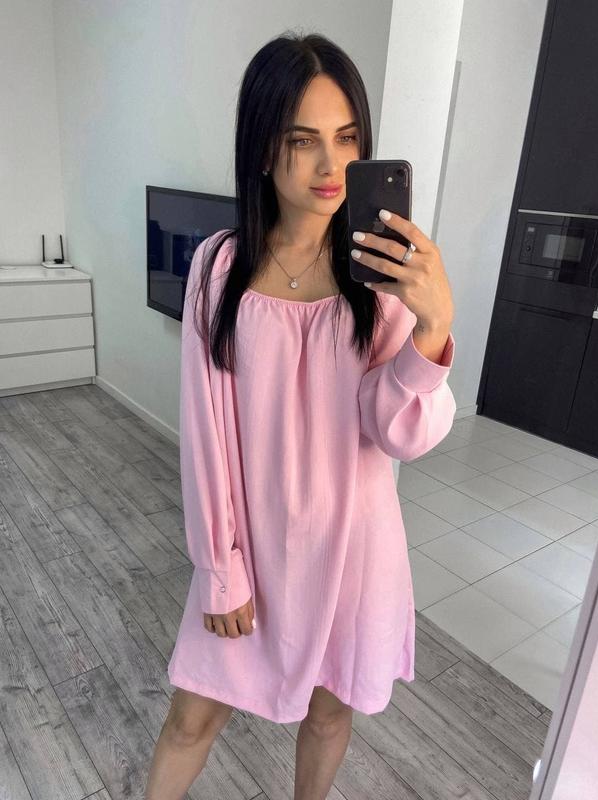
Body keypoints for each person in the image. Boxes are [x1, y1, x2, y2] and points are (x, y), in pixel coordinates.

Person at [145, 30, 456, 800]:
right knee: (191, 719)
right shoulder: (220, 268)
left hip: (353, 552)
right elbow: (207, 439)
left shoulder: (381, 278)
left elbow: (400, 432)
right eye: (303, 140)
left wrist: (432, 330)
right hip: (250, 549)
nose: (330, 166)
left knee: (328, 713)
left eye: (347, 139)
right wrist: (220, 570)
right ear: (263, 148)